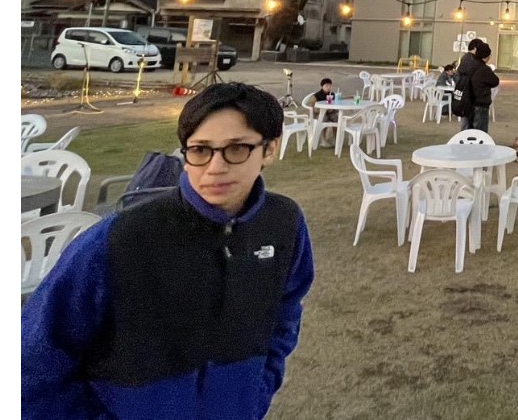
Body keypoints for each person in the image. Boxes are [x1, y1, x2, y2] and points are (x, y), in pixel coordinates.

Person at [22, 82, 313, 419]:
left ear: (270, 149)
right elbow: (33, 358)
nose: (215, 167)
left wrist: (255, 396)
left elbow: (284, 313)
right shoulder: (121, 238)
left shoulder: (284, 223)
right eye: (200, 150)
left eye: (236, 149)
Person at [454, 38, 501, 132]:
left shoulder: (465, 61)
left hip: (466, 100)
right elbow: (495, 81)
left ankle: (465, 141)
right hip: (479, 102)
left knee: (466, 130)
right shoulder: (482, 68)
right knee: (479, 132)